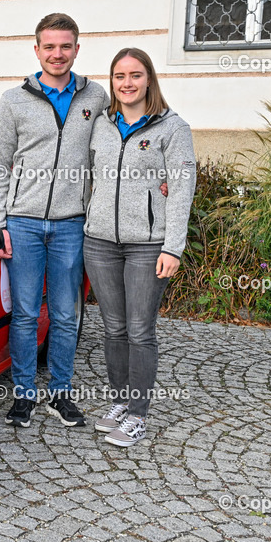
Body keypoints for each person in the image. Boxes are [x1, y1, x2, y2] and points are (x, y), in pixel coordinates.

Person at [0, 13, 108, 428]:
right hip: (21, 223)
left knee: (63, 314)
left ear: (77, 48)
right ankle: (23, 395)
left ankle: (60, 394)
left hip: (71, 224)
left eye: (66, 46)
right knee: (23, 314)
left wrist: (153, 180)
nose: (58, 54)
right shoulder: (13, 100)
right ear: (36, 49)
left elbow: (115, 149)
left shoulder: (97, 99)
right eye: (50, 46)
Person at [84, 48, 196, 447]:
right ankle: (118, 400)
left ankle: (137, 414)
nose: (126, 83)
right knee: (112, 327)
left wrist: (173, 247)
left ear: (149, 78)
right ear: (112, 82)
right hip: (99, 242)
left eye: (135, 75)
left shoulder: (172, 128)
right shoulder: (100, 125)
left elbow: (182, 188)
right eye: (119, 76)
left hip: (148, 246)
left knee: (139, 330)